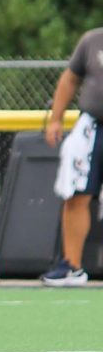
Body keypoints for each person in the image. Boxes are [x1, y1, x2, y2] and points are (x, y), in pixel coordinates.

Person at [41, 27, 103, 286]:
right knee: (77, 194)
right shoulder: (93, 40)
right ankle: (71, 266)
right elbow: (69, 78)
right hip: (92, 127)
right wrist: (56, 119)